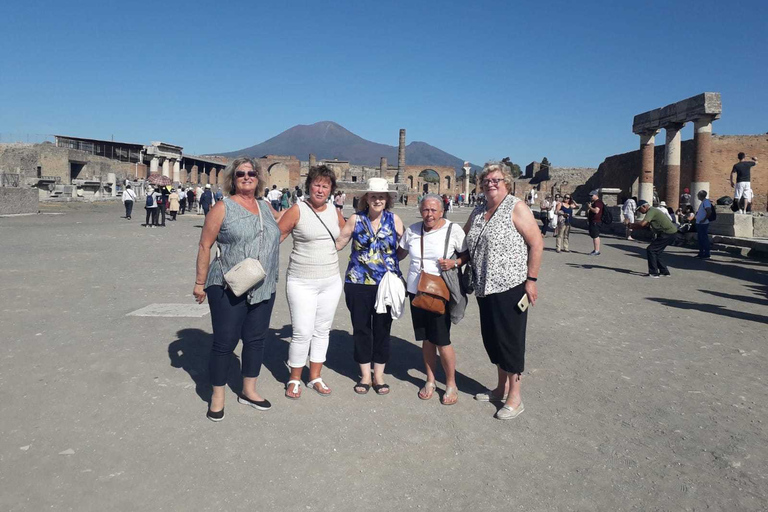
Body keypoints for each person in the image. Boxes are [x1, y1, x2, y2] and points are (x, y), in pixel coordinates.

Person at [192, 157, 281, 422]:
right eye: (240, 173)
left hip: (263, 285)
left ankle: (248, 390)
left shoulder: (266, 206)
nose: (246, 177)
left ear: (258, 177)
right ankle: (217, 396)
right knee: (225, 342)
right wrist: (199, 283)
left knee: (256, 339)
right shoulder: (222, 207)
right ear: (233, 178)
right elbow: (205, 245)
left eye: (251, 173)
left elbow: (283, 230)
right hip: (227, 285)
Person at [465, 162, 543, 420]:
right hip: (484, 286)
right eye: (486, 180)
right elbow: (463, 241)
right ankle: (500, 388)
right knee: (493, 339)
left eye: (496, 179)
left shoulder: (516, 207)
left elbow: (536, 242)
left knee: (510, 340)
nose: (491, 183)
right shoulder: (478, 211)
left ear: (506, 182)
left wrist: (531, 280)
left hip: (510, 286)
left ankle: (515, 397)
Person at [277, 165, 346, 399]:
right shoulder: (297, 210)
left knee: (322, 330)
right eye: (316, 184)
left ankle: (315, 376)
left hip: (330, 280)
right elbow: (278, 236)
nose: (320, 189)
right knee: (302, 331)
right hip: (301, 281)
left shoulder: (334, 212)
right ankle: (294, 378)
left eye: (325, 186)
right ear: (309, 186)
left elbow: (345, 236)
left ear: (331, 190)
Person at [335, 178, 404, 396]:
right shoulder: (356, 219)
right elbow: (339, 243)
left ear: (387, 199)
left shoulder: (394, 220)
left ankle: (379, 375)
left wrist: (391, 264)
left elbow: (403, 248)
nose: (377, 200)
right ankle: (365, 375)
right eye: (373, 196)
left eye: (381, 196)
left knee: (383, 329)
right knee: (361, 328)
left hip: (386, 284)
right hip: (358, 282)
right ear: (367, 198)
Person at [397, 194, 467, 405]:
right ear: (420, 211)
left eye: (434, 210)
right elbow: (399, 253)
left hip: (439, 292)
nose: (429, 214)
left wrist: (454, 263)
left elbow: (467, 254)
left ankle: (451, 383)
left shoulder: (453, 230)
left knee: (442, 339)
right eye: (426, 210)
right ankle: (430, 379)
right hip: (416, 291)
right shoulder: (412, 230)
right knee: (426, 338)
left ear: (442, 211)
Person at [630, 200, 679, 277]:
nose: (640, 211)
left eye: (640, 209)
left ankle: (653, 273)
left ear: (644, 206)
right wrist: (632, 226)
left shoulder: (651, 211)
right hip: (670, 233)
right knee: (657, 252)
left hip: (667, 233)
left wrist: (631, 225)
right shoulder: (652, 211)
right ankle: (664, 272)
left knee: (651, 250)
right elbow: (646, 225)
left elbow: (643, 224)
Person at [694, 190, 713, 259]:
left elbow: (709, 211)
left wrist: (704, 219)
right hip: (700, 223)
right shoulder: (703, 202)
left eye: (698, 195)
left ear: (700, 195)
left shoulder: (706, 202)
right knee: (700, 238)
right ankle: (701, 253)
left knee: (704, 238)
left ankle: (706, 253)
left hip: (703, 223)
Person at [586, 190, 604, 256]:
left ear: (596, 195)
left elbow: (596, 211)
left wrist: (590, 207)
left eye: (592, 196)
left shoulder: (598, 202)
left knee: (595, 236)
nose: (590, 197)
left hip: (596, 222)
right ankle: (596, 249)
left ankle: (597, 250)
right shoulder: (595, 202)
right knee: (594, 236)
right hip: (594, 221)